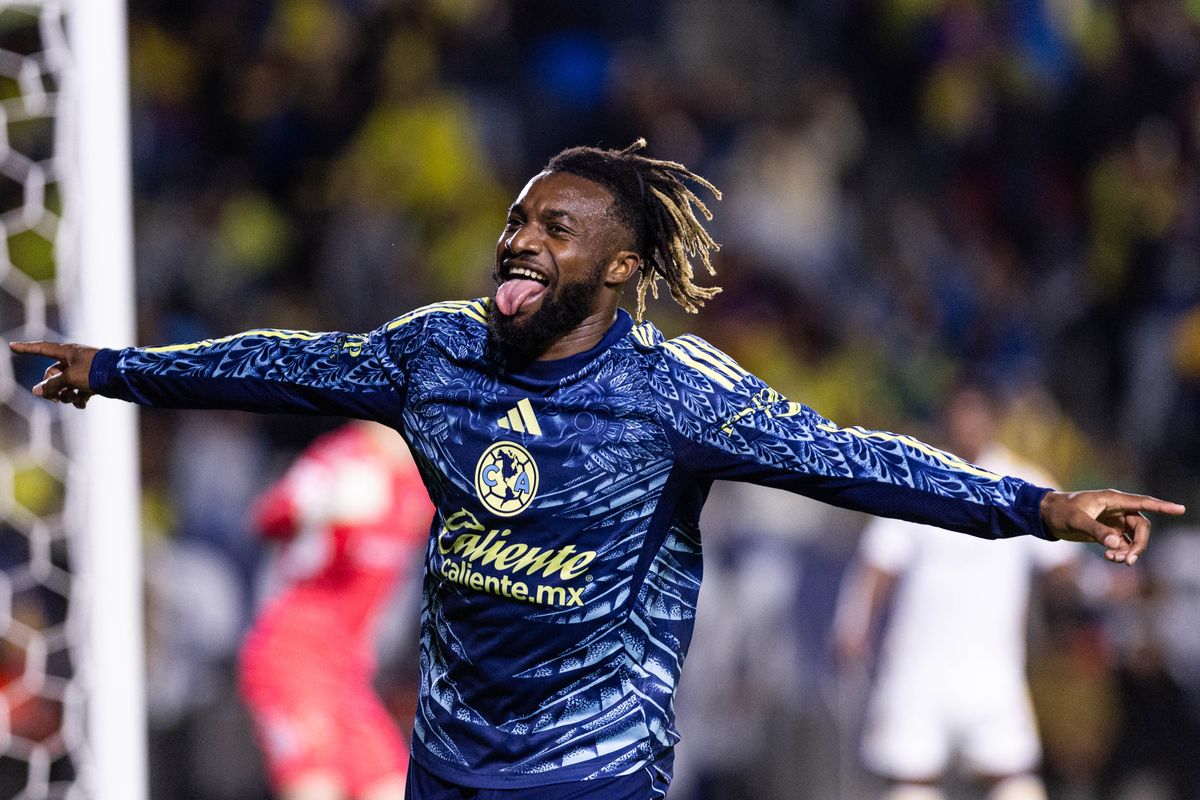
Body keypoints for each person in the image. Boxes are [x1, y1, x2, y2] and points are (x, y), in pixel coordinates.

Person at [9, 140, 1185, 800]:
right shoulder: (438, 352)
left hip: (593, 760)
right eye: (517, 217)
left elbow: (852, 459)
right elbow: (286, 364)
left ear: (619, 267)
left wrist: (1038, 504)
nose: (520, 236)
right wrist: (112, 368)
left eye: (554, 227)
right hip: (450, 750)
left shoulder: (674, 391)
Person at [834, 383, 1077, 800]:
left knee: (1012, 777)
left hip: (993, 665)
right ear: (946, 420)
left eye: (977, 413)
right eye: (960, 413)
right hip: (917, 664)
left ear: (994, 419)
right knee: (912, 782)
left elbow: (1063, 567)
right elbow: (877, 564)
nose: (968, 424)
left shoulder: (1024, 484)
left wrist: (1098, 588)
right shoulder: (918, 480)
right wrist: (853, 626)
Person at [238, 420, 434, 800]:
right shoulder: (341, 457)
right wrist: (324, 504)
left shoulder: (421, 475)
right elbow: (266, 516)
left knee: (391, 789)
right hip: (293, 654)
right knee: (317, 785)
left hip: (349, 671)